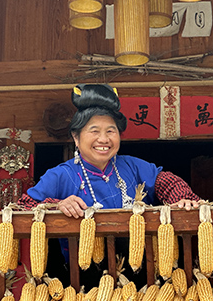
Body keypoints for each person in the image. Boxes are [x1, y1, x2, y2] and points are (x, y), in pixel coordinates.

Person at [19, 84, 200, 215]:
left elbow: (164, 181)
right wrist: (56, 206)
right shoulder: (60, 175)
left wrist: (182, 197)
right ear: (76, 137)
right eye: (94, 131)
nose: (104, 139)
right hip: (80, 266)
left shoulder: (132, 166)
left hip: (140, 264)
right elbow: (25, 206)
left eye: (111, 131)